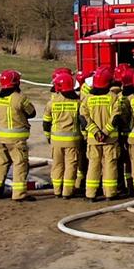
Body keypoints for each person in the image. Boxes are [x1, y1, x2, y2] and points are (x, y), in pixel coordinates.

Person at [80, 67, 125, 199]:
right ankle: (110, 193)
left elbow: (83, 118)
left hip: (93, 139)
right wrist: (105, 132)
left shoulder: (87, 99)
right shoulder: (114, 98)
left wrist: (95, 132)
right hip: (110, 139)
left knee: (93, 166)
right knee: (110, 166)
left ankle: (90, 194)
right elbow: (116, 117)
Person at [0, 70, 35, 201]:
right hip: (17, 140)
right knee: (20, 165)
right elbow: (32, 112)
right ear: (16, 83)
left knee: (1, 164)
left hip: (1, 139)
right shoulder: (20, 98)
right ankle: (19, 195)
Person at [46, 70, 84, 198]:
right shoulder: (77, 103)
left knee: (57, 165)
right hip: (72, 140)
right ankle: (67, 192)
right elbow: (83, 121)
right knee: (71, 166)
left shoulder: (52, 103)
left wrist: (48, 136)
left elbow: (46, 122)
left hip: (56, 140)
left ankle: (57, 190)